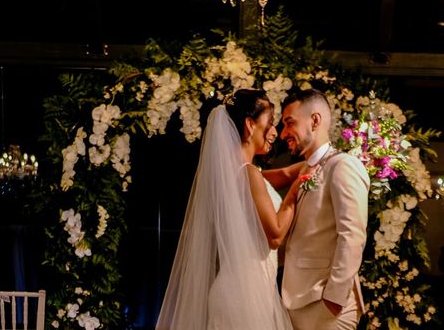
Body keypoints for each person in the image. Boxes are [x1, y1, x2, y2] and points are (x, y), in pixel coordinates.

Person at [156, 89, 302, 330]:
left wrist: (311, 165)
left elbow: (275, 177)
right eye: (270, 122)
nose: (275, 132)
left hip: (232, 290)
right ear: (250, 124)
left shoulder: (232, 174)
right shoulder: (249, 173)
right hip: (247, 295)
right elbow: (275, 236)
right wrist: (296, 192)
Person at [278, 88, 370, 330]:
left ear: (315, 120)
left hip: (326, 305)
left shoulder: (343, 165)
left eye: (289, 123)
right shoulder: (304, 169)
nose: (283, 133)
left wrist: (334, 298)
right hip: (297, 299)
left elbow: (353, 235)